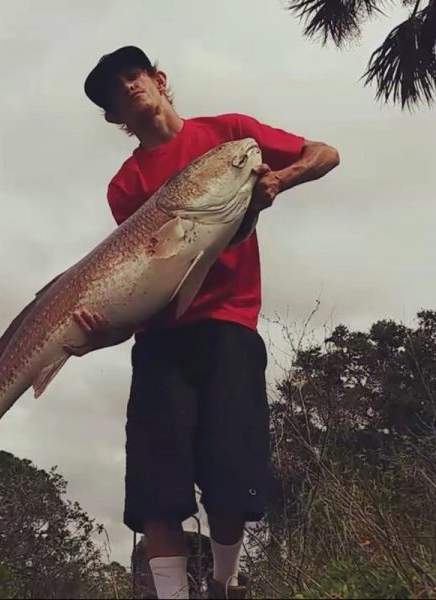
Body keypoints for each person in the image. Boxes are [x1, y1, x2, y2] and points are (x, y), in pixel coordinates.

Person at [64, 46, 340, 600]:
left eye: (132, 76)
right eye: (114, 92)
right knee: (156, 484)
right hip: (161, 339)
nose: (128, 89)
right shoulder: (125, 186)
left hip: (230, 324)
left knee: (229, 474)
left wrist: (280, 182)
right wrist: (104, 332)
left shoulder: (231, 134)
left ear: (159, 79)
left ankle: (224, 583)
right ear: (113, 116)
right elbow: (147, 276)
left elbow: (325, 152)